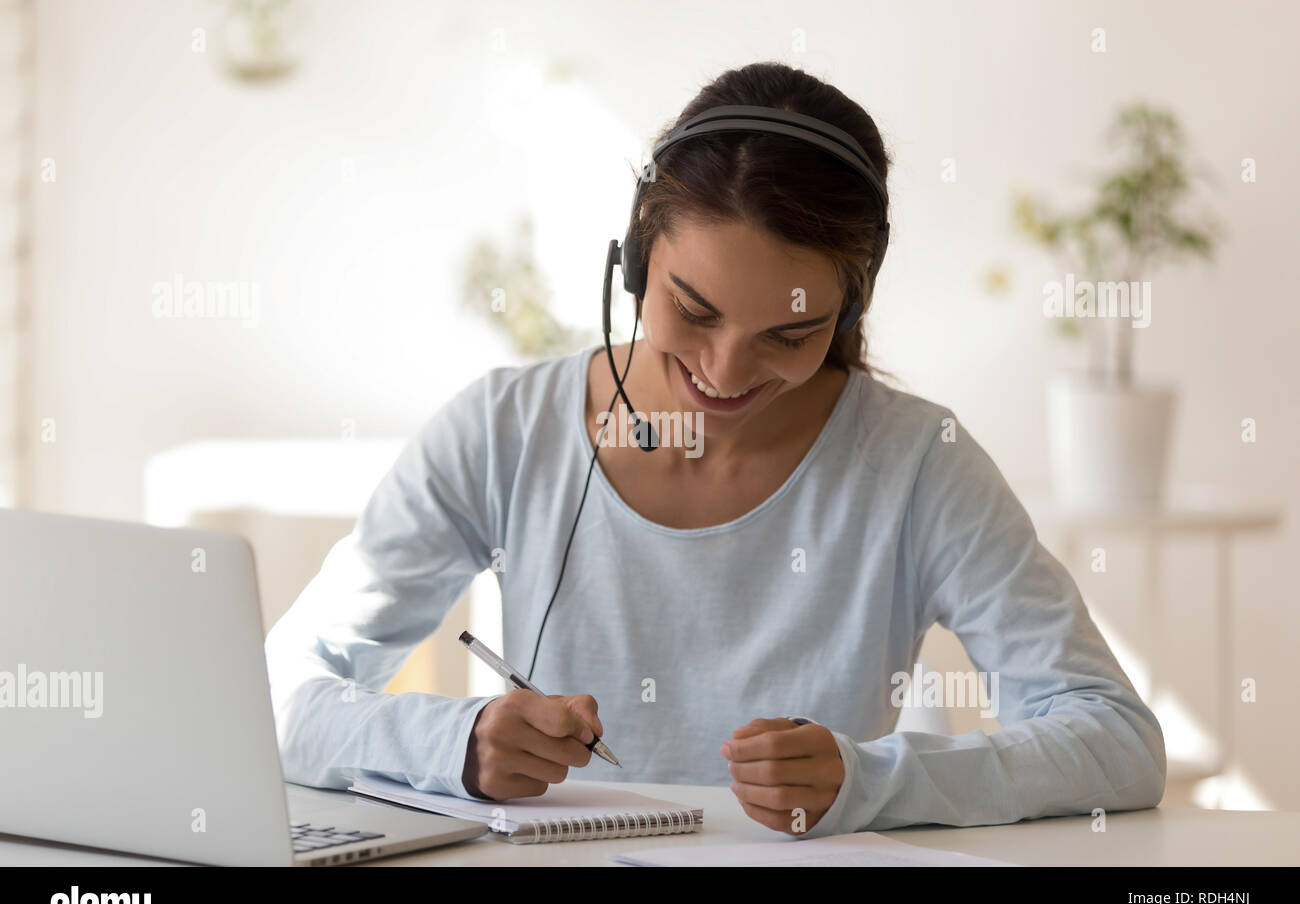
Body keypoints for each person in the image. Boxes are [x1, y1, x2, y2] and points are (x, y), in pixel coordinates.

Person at [264, 62, 1165, 838]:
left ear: (849, 312)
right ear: (633, 263)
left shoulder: (916, 462)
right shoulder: (503, 432)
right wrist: (452, 743)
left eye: (790, 333)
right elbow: (276, 695)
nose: (725, 374)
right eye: (693, 311)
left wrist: (874, 779)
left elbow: (1115, 739)